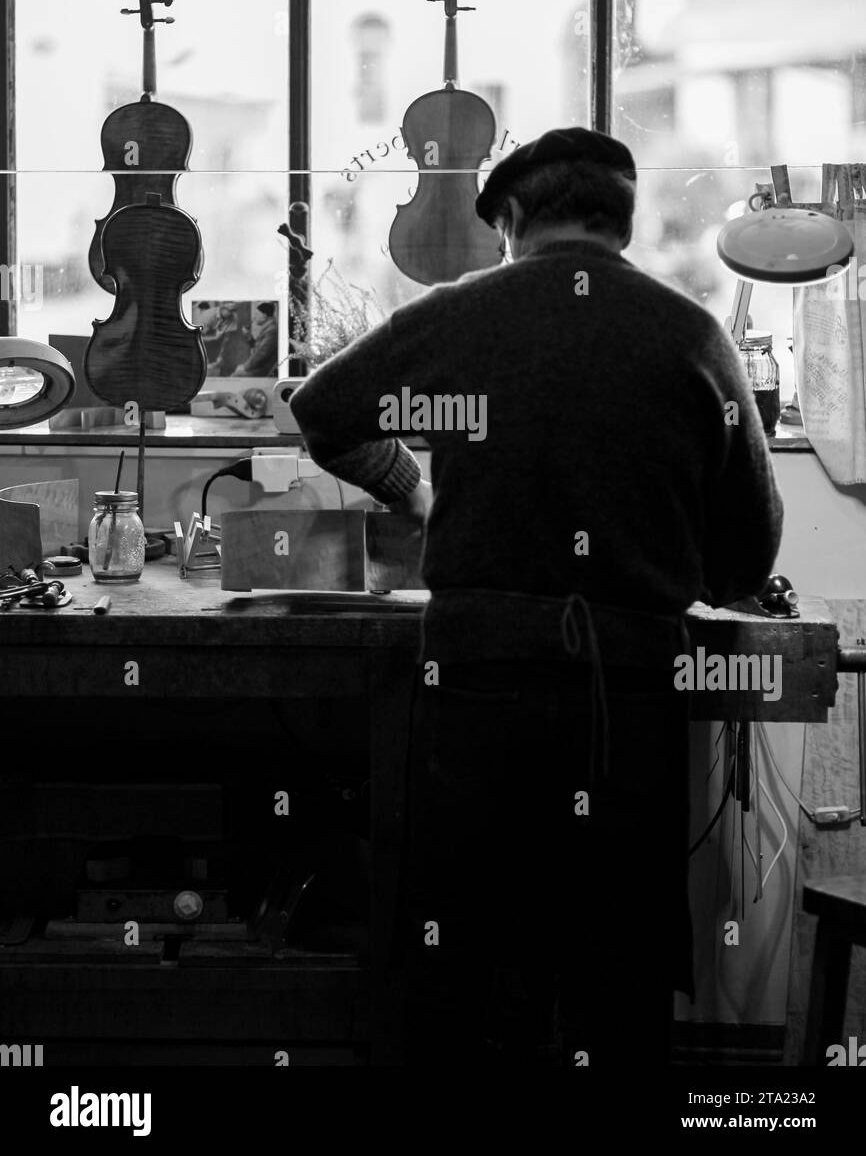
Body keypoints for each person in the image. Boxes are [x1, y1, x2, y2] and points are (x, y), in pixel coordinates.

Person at [290, 127, 783, 1068]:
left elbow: (321, 416)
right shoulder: (694, 336)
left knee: (466, 955)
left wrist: (414, 490)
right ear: (623, 224)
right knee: (617, 961)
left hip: (478, 687)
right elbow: (747, 555)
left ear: (512, 220)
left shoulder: (459, 316)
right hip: (631, 699)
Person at [233, 302, 278, 378]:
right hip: (258, 367)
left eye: (256, 314)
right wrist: (248, 335)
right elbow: (257, 347)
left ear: (264, 316)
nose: (254, 317)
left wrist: (245, 367)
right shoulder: (268, 328)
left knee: (235, 376)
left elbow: (261, 354)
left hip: (262, 370)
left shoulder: (271, 331)